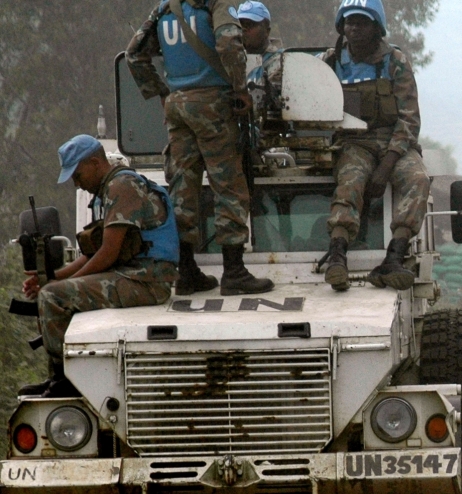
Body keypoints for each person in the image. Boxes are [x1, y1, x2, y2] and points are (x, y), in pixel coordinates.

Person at [127, 0, 275, 296]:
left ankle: (187, 271)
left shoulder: (165, 9)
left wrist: (160, 93)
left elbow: (133, 55)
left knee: (183, 186)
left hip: (177, 104)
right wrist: (239, 89)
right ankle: (233, 272)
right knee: (229, 185)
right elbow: (230, 43)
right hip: (213, 103)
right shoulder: (217, 4)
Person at [20, 136, 179, 397]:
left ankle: (65, 381)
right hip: (132, 276)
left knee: (53, 297)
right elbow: (94, 252)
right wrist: (51, 277)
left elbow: (108, 253)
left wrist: (57, 287)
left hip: (147, 282)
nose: (77, 183)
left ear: (95, 163)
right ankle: (57, 378)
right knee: (51, 291)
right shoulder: (113, 187)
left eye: (78, 175)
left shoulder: (122, 186)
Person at [319, 0, 430, 292]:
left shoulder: (394, 62)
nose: (353, 29)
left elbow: (409, 118)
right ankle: (338, 257)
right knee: (350, 181)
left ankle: (394, 256)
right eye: (349, 22)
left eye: (361, 22)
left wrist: (387, 165)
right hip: (354, 142)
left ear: (376, 27)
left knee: (418, 180)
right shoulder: (330, 62)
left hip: (394, 142)